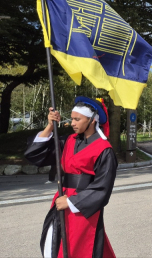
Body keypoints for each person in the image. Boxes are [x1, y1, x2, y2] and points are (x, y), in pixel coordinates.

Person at [25, 97, 118, 258]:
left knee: (79, 247)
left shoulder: (105, 150)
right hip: (61, 199)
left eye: (77, 119)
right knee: (53, 243)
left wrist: (70, 202)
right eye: (72, 118)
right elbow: (35, 154)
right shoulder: (68, 141)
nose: (72, 123)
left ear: (92, 120)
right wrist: (49, 126)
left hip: (82, 206)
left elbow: (103, 187)